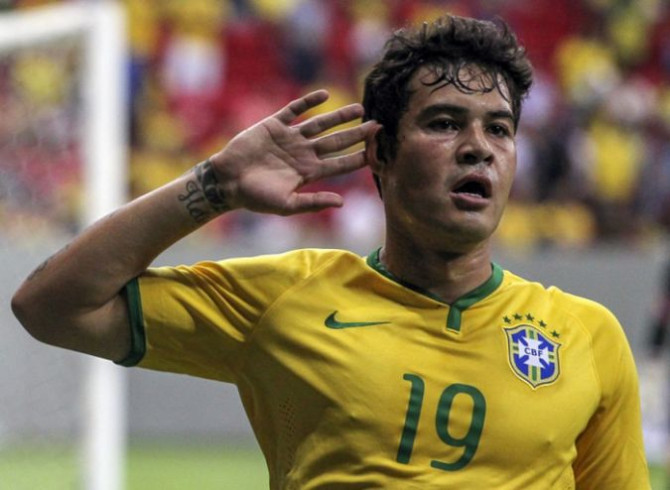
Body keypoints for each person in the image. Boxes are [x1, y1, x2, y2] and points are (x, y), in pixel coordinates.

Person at [11, 14, 650, 489]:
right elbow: (50, 305)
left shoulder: (586, 337)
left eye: (500, 129)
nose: (479, 147)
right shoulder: (284, 297)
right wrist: (214, 186)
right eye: (444, 123)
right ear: (380, 152)